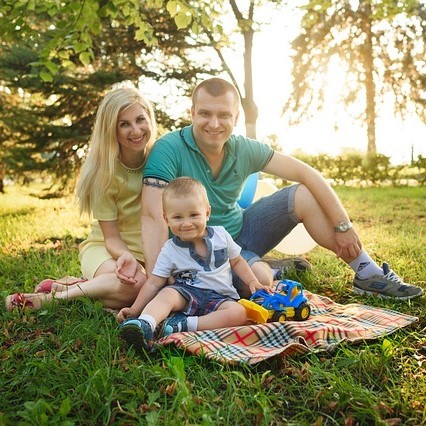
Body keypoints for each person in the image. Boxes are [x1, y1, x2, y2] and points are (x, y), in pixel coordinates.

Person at [141, 77, 424, 300]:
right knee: (259, 283)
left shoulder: (245, 149)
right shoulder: (168, 149)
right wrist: (162, 283)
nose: (214, 124)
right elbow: (153, 216)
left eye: (223, 115)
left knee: (302, 193)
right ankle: (272, 267)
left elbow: (307, 173)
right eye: (204, 114)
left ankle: (366, 272)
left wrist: (343, 226)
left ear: (236, 118)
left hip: (243, 231)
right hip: (198, 248)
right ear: (192, 113)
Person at [6, 86, 157, 311]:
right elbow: (111, 238)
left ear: (150, 120)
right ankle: (51, 300)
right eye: (124, 124)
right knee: (138, 288)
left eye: (140, 120)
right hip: (108, 252)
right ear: (111, 129)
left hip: (148, 255)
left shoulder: (160, 159)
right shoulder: (104, 174)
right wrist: (126, 256)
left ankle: (76, 286)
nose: (135, 130)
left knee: (156, 290)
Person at [118, 177, 271, 351]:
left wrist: (252, 281)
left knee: (239, 313)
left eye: (194, 215)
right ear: (166, 219)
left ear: (207, 213)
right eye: (177, 217)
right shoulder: (170, 249)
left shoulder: (221, 235)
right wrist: (135, 308)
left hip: (220, 297)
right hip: (186, 293)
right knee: (167, 294)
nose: (186, 223)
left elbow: (237, 261)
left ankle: (181, 325)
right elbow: (154, 282)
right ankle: (145, 323)